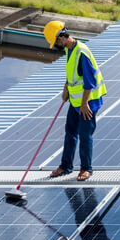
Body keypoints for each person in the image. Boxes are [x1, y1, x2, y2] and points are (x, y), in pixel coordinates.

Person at [43, 21, 106, 181]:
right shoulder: (69, 50)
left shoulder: (81, 52)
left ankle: (86, 169)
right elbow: (72, 75)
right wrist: (65, 90)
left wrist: (84, 104)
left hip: (88, 102)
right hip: (76, 101)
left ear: (61, 37)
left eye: (56, 42)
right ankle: (66, 166)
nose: (57, 45)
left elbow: (90, 81)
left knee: (85, 134)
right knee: (70, 132)